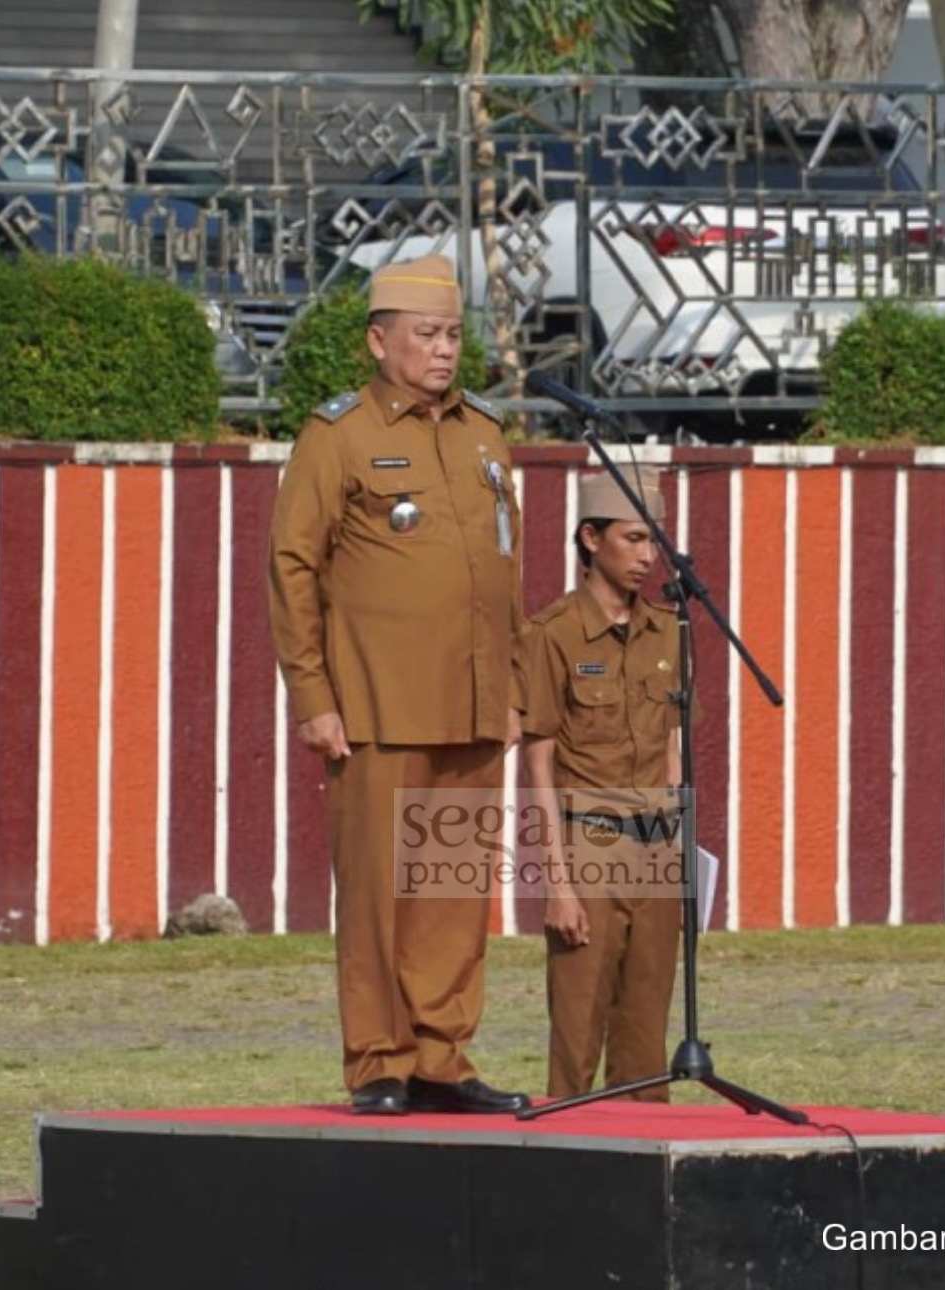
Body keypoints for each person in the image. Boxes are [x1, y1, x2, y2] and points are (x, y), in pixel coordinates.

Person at [267, 254, 529, 1116]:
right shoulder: (336, 436)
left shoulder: (484, 433)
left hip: (473, 699)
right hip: (376, 705)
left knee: (455, 890)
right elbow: (293, 566)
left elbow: (504, 571)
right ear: (380, 341)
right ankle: (379, 1060)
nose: (444, 351)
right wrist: (313, 696)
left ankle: (442, 1059)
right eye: (426, 335)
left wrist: (515, 686)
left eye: (453, 334)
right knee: (381, 894)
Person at [521, 465, 684, 1102]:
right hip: (587, 850)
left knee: (647, 1043)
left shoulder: (671, 632)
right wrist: (556, 883)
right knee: (576, 1039)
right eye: (633, 539)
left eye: (655, 543)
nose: (648, 557)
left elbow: (671, 748)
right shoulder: (551, 635)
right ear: (590, 538)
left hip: (655, 848)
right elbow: (538, 768)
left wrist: (679, 856)